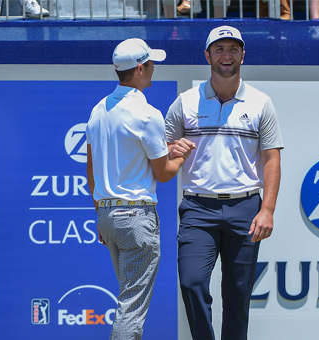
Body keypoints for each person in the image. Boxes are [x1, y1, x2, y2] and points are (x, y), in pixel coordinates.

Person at [165, 25, 284, 340]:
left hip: (246, 208)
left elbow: (272, 159)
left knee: (238, 293)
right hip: (197, 208)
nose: (226, 55)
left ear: (243, 54)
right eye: (219, 49)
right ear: (207, 55)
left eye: (233, 49)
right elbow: (160, 150)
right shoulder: (185, 101)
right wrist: (169, 149)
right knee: (191, 282)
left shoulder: (261, 103)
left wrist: (267, 209)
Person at [86, 38, 195, 340]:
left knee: (128, 301)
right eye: (151, 63)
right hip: (135, 217)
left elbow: (92, 170)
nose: (154, 68)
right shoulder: (147, 114)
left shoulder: (98, 110)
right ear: (140, 68)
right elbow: (163, 173)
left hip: (108, 216)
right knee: (131, 307)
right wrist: (182, 155)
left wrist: (101, 213)